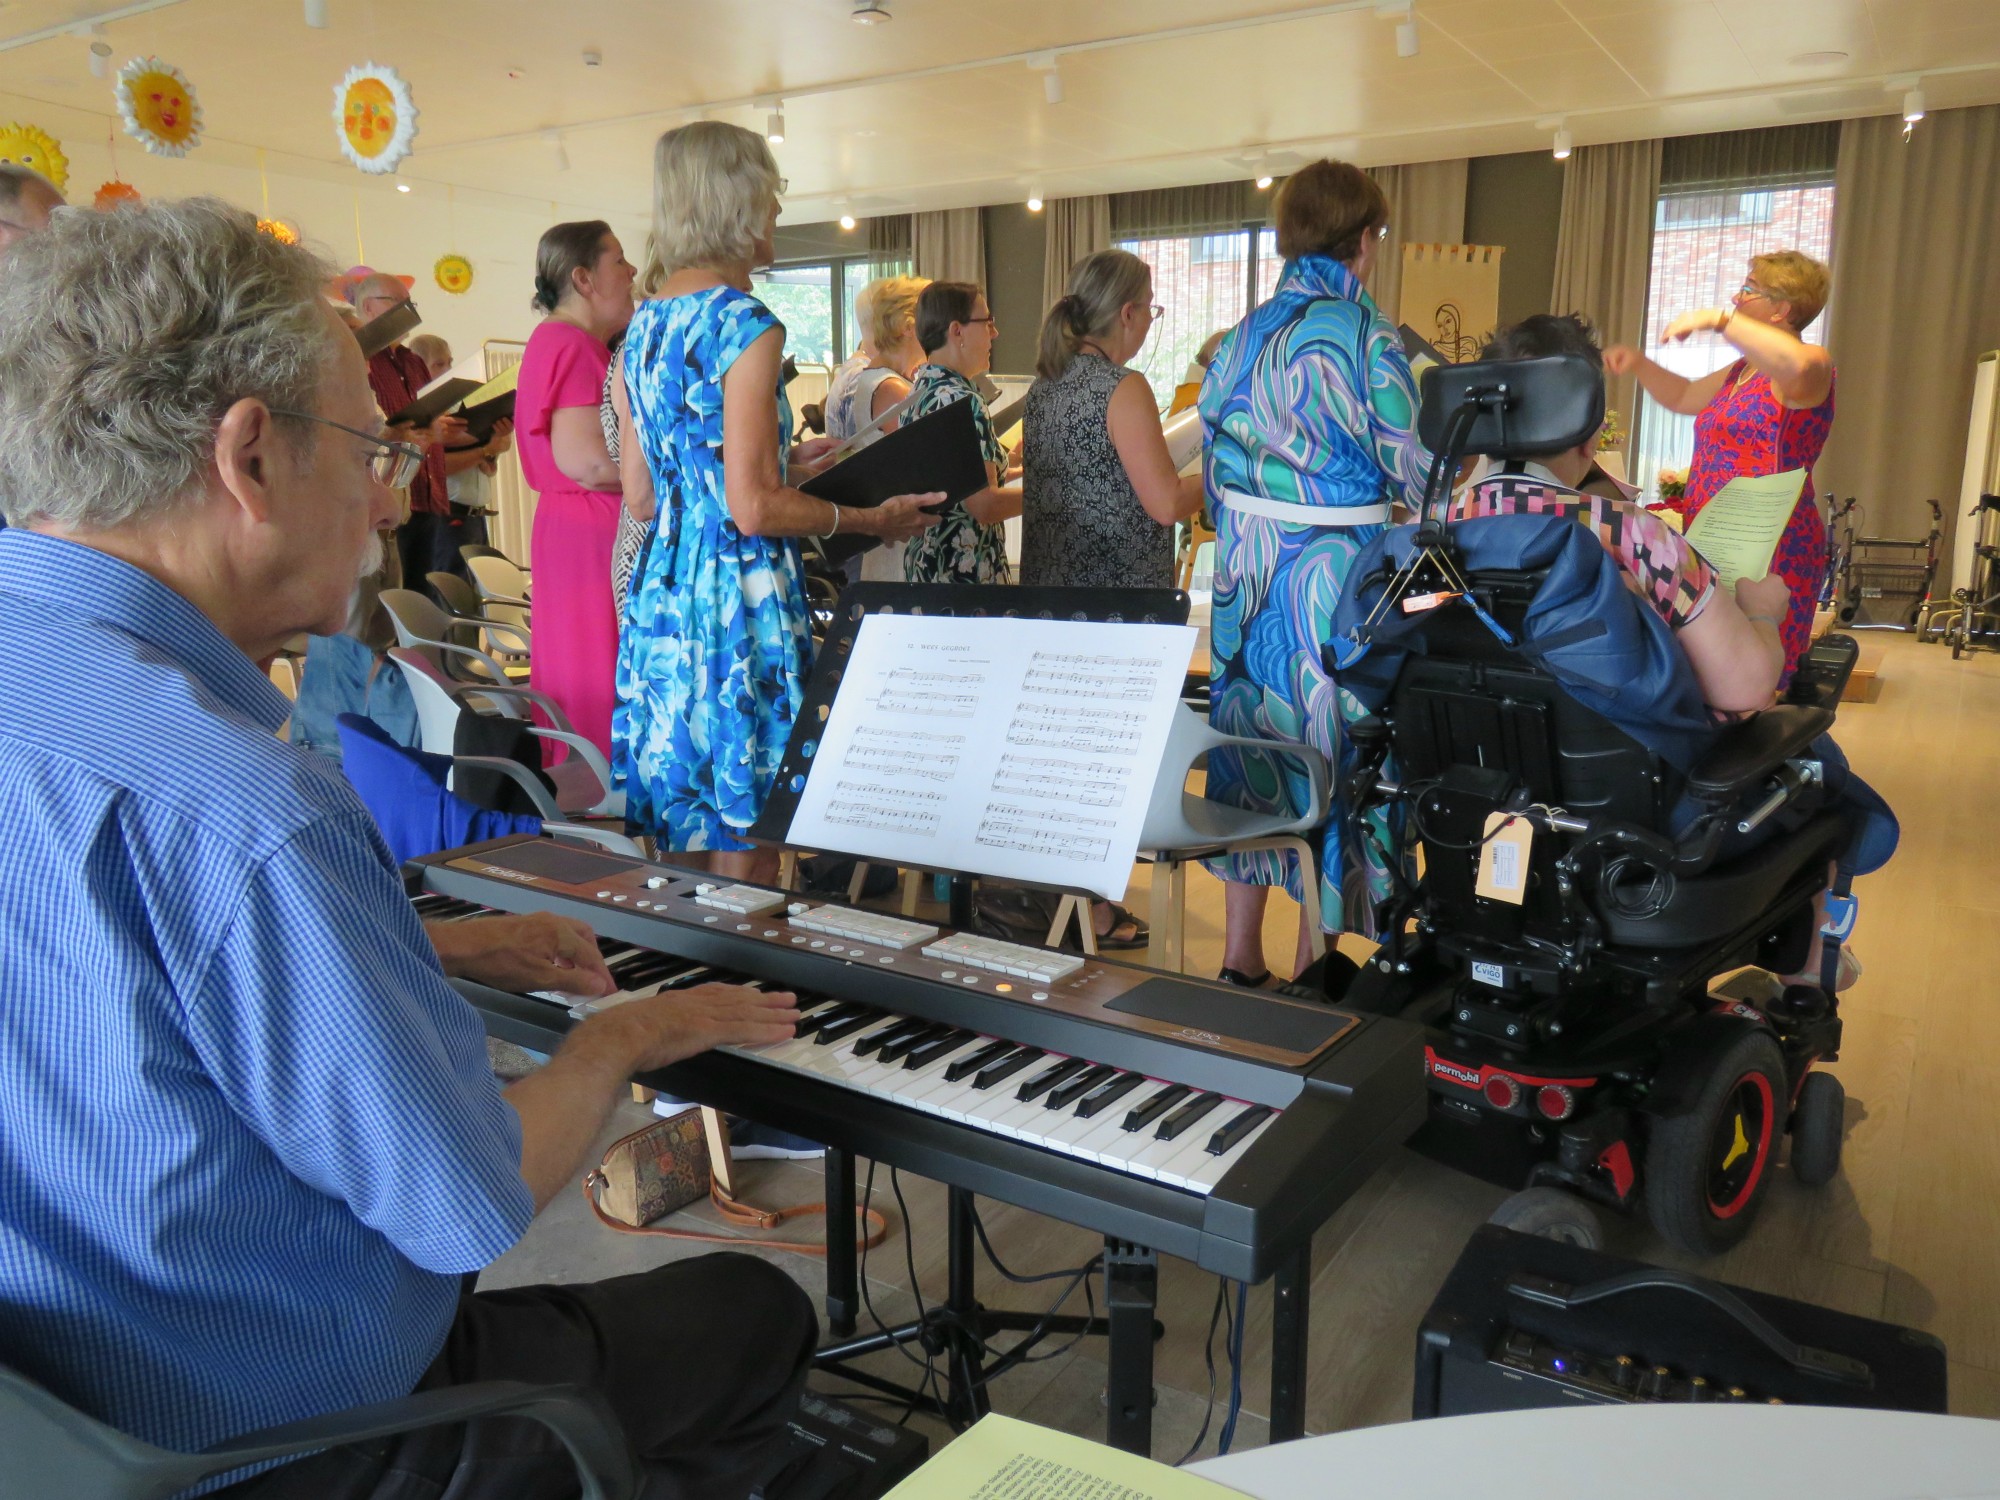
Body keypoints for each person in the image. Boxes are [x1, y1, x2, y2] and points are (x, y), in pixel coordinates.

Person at [0, 197, 815, 1499]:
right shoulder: (249, 805)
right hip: (291, 1447)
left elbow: (103, 982)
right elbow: (466, 1210)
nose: (390, 505)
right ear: (248, 458)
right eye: (372, 450)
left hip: (53, 1423)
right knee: (756, 1316)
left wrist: (434, 939)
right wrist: (622, 1040)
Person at [615, 121, 940, 883]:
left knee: (688, 813)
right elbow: (754, 510)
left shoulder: (643, 326)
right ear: (736, 203)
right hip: (739, 598)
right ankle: (749, 985)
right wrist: (869, 519)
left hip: (665, 596)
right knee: (756, 827)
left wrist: (780, 458)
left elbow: (642, 492)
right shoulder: (744, 323)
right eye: (769, 196)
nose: (777, 215)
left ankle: (692, 983)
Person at [1198, 158, 1431, 990]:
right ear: (1364, 240)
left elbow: (1214, 460)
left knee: (1255, 750)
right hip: (1333, 581)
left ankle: (1237, 963)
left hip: (1246, 574)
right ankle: (1313, 969)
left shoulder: (1239, 337)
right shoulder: (1369, 336)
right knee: (1335, 761)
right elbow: (1416, 473)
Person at [1452, 315, 1790, 713]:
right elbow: (1744, 687)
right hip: (1624, 762)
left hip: (1473, 762)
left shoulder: (1429, 528)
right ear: (1590, 430)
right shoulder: (1634, 533)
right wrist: (1763, 613)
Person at [1605, 250, 1835, 684]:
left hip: (1771, 543)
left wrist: (1719, 319)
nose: (1736, 296)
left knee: (1758, 671)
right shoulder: (1742, 370)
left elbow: (1796, 364)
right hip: (1716, 535)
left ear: (1781, 309)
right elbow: (1684, 396)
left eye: (1749, 290)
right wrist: (1637, 362)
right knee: (1713, 665)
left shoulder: (1813, 362)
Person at [515, 220, 636, 759]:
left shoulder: (560, 340)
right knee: (597, 666)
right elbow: (587, 462)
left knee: (580, 666)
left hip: (573, 528)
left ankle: (590, 787)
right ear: (584, 279)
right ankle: (603, 794)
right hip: (591, 533)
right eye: (619, 261)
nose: (631, 272)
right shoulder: (572, 344)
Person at [1022, 249, 1203, 591]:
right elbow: (1168, 505)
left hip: (1050, 597)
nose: (1152, 319)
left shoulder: (1042, 386)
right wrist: (1224, 473)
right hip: (1116, 606)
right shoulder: (1124, 387)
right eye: (1150, 308)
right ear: (1127, 314)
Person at [901, 280, 1021, 585]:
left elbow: (954, 484)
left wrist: (1013, 467)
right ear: (957, 331)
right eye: (988, 323)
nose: (995, 333)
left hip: (930, 566)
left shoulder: (921, 391)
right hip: (963, 575)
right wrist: (1056, 494)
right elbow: (984, 505)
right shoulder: (960, 400)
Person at [351, 273, 468, 583]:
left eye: (410, 302)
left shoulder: (413, 361)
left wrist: (439, 431)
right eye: (398, 302)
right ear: (368, 307)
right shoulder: (357, 358)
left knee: (429, 599)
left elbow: (427, 419)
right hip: (389, 500)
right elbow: (362, 429)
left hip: (429, 496)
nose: (408, 309)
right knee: (393, 608)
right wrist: (399, 435)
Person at [823, 274, 930, 583]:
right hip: (886, 543)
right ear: (909, 326)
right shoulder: (889, 387)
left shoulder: (870, 375)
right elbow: (921, 469)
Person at [410, 333, 514, 560]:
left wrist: (494, 445)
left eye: (450, 362)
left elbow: (499, 447)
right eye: (439, 364)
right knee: (451, 588)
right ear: (418, 368)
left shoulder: (459, 403)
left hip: (475, 514)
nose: (448, 370)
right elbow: (434, 466)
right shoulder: (422, 411)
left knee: (474, 587)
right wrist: (484, 450)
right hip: (448, 513)